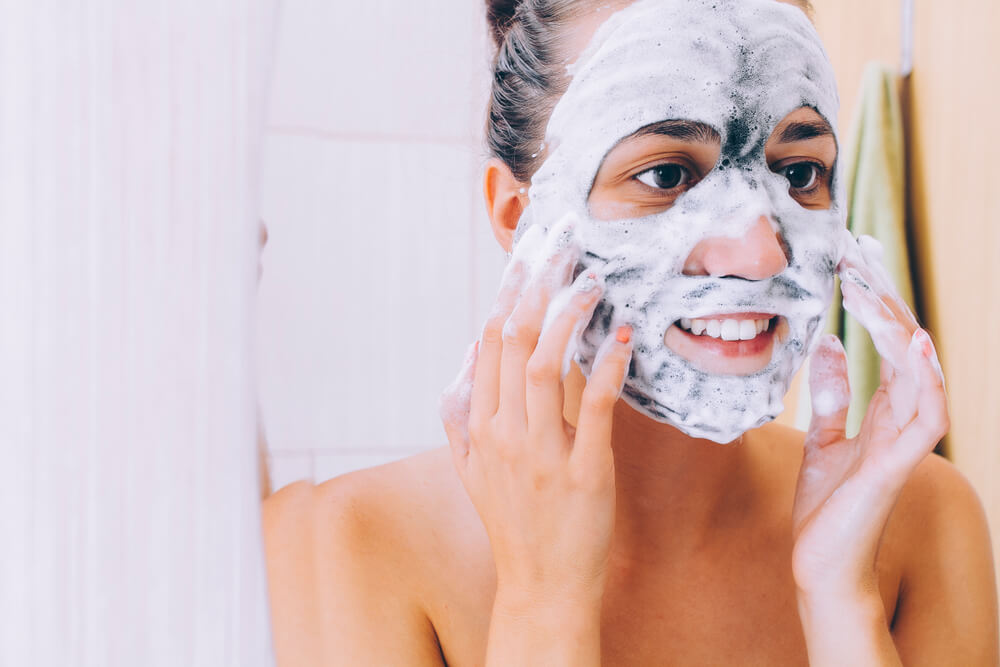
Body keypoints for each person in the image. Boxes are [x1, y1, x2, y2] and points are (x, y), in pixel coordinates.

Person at [262, 0, 999, 664]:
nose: (761, 253)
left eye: (799, 172)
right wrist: (541, 604)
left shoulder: (921, 522)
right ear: (520, 218)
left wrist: (842, 605)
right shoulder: (340, 551)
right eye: (667, 175)